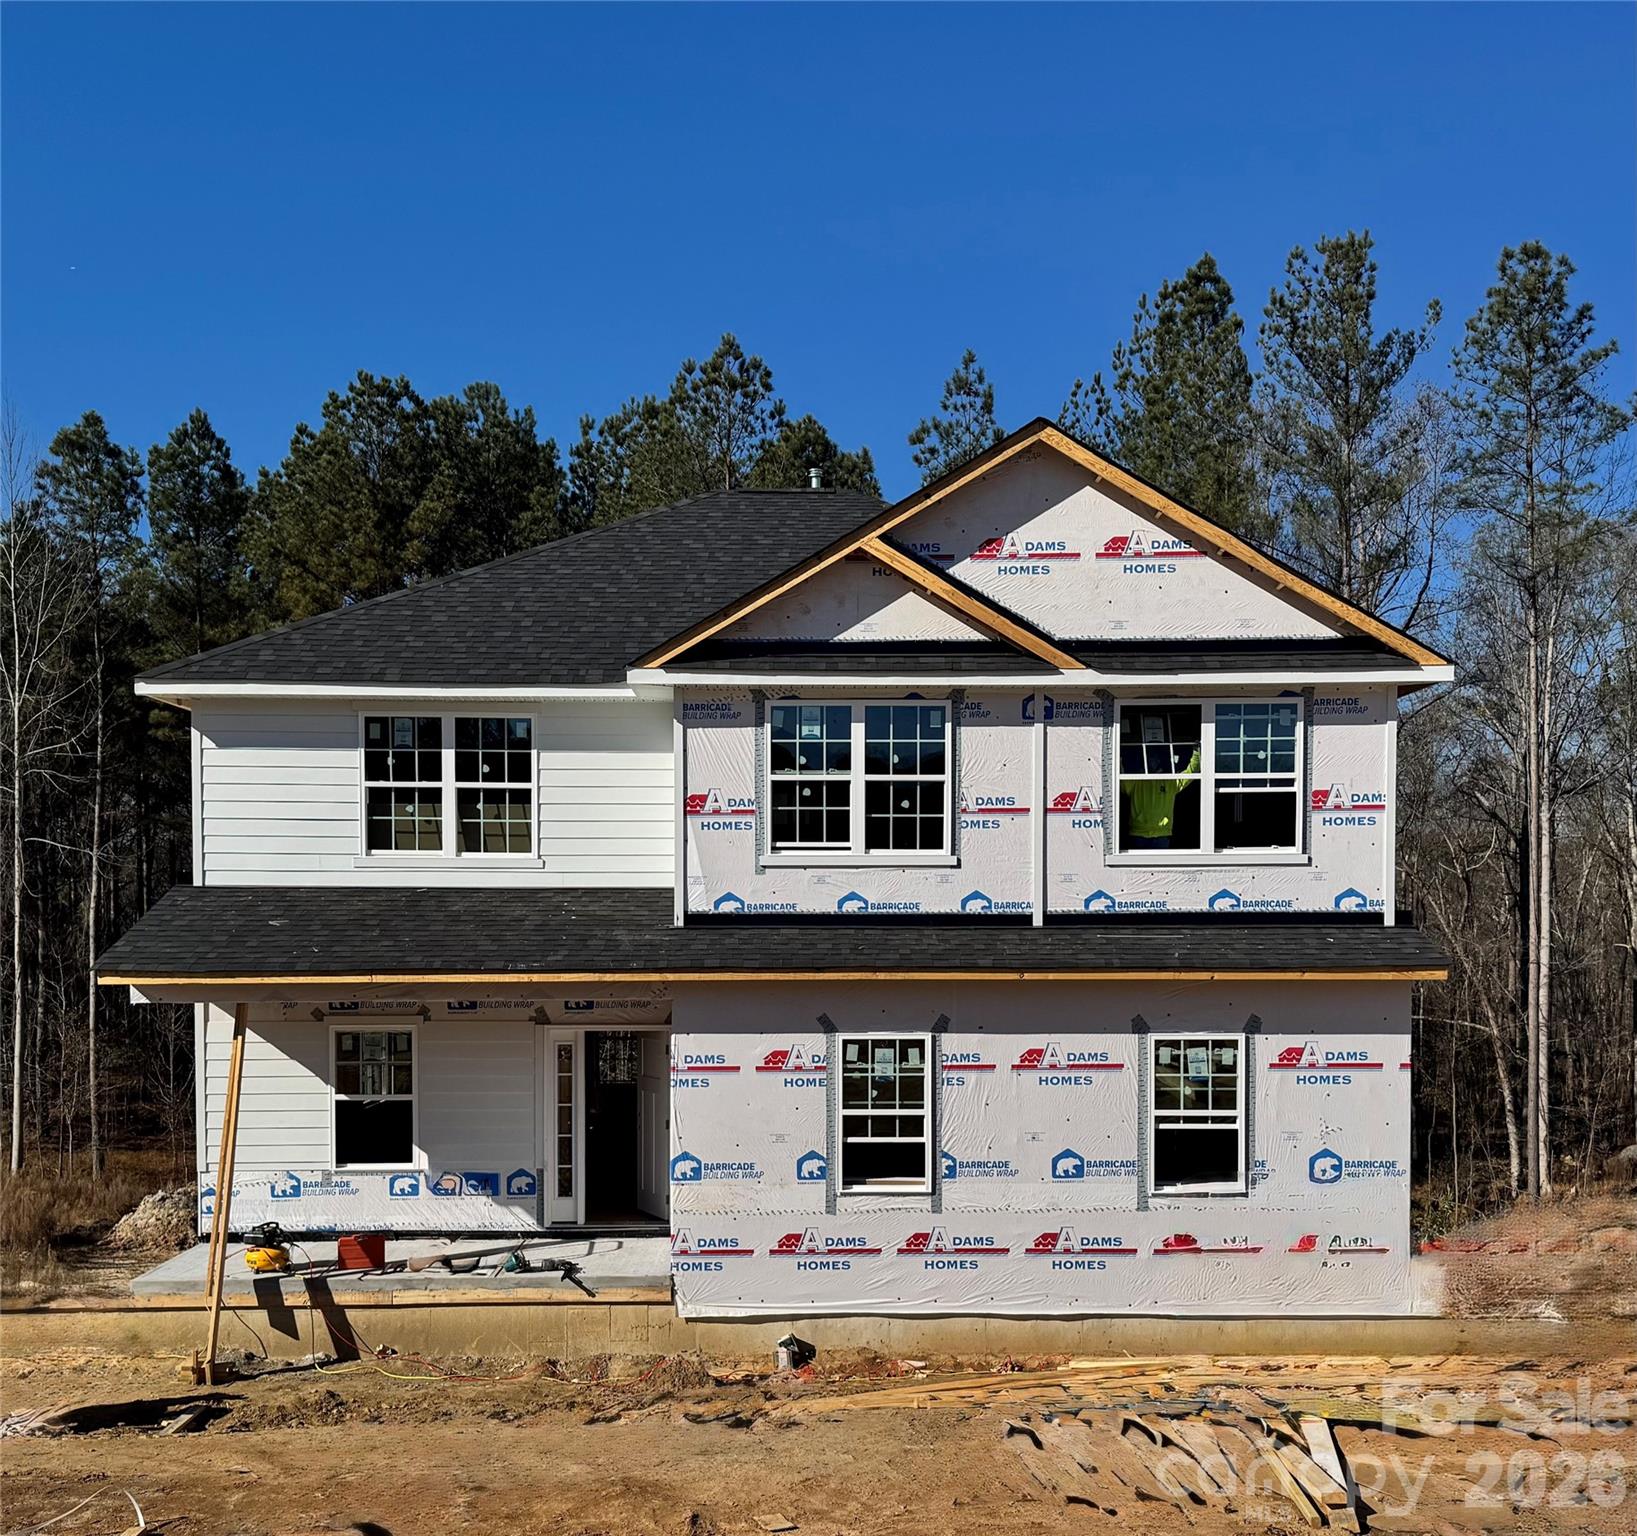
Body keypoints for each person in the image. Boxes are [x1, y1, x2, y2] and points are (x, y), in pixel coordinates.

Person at [1122, 746, 1200, 849]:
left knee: (1161, 865)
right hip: (1138, 834)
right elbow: (1116, 780)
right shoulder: (1136, 780)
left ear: (1159, 760)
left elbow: (1191, 772)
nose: (1152, 760)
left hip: (1162, 834)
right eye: (1150, 757)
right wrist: (1117, 758)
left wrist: (1197, 753)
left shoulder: (1169, 781)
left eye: (1155, 757)